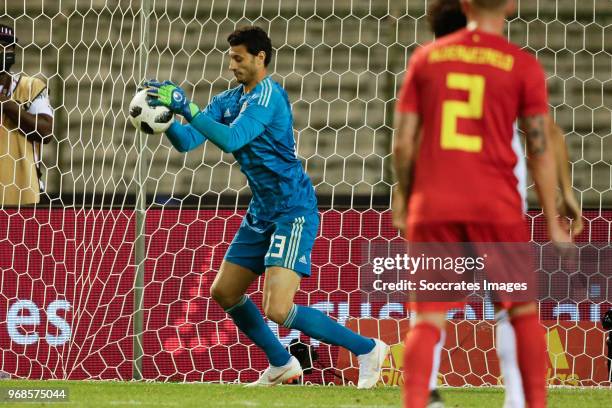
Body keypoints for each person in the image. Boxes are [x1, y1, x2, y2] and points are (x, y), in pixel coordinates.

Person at [145, 26, 389, 387]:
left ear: (260, 57)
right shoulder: (228, 100)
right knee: (224, 292)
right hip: (261, 211)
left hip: (293, 210)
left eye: (239, 58)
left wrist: (189, 107)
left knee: (278, 308)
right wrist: (164, 118)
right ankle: (281, 364)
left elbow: (232, 139)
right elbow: (186, 141)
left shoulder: (268, 97)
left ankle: (368, 348)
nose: (232, 66)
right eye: (230, 58)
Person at [395, 2, 584, 407]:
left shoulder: (428, 60)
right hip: (498, 202)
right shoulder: (518, 64)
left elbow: (404, 142)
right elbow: (543, 138)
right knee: (518, 311)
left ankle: (421, 396)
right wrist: (557, 209)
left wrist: (405, 199)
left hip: (435, 202)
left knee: (427, 317)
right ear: (512, 5)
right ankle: (523, 400)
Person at [0, 23, 53, 206]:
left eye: (7, 47)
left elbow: (46, 132)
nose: (3, 51)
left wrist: (7, 105)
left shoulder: (31, 87)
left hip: (24, 196)